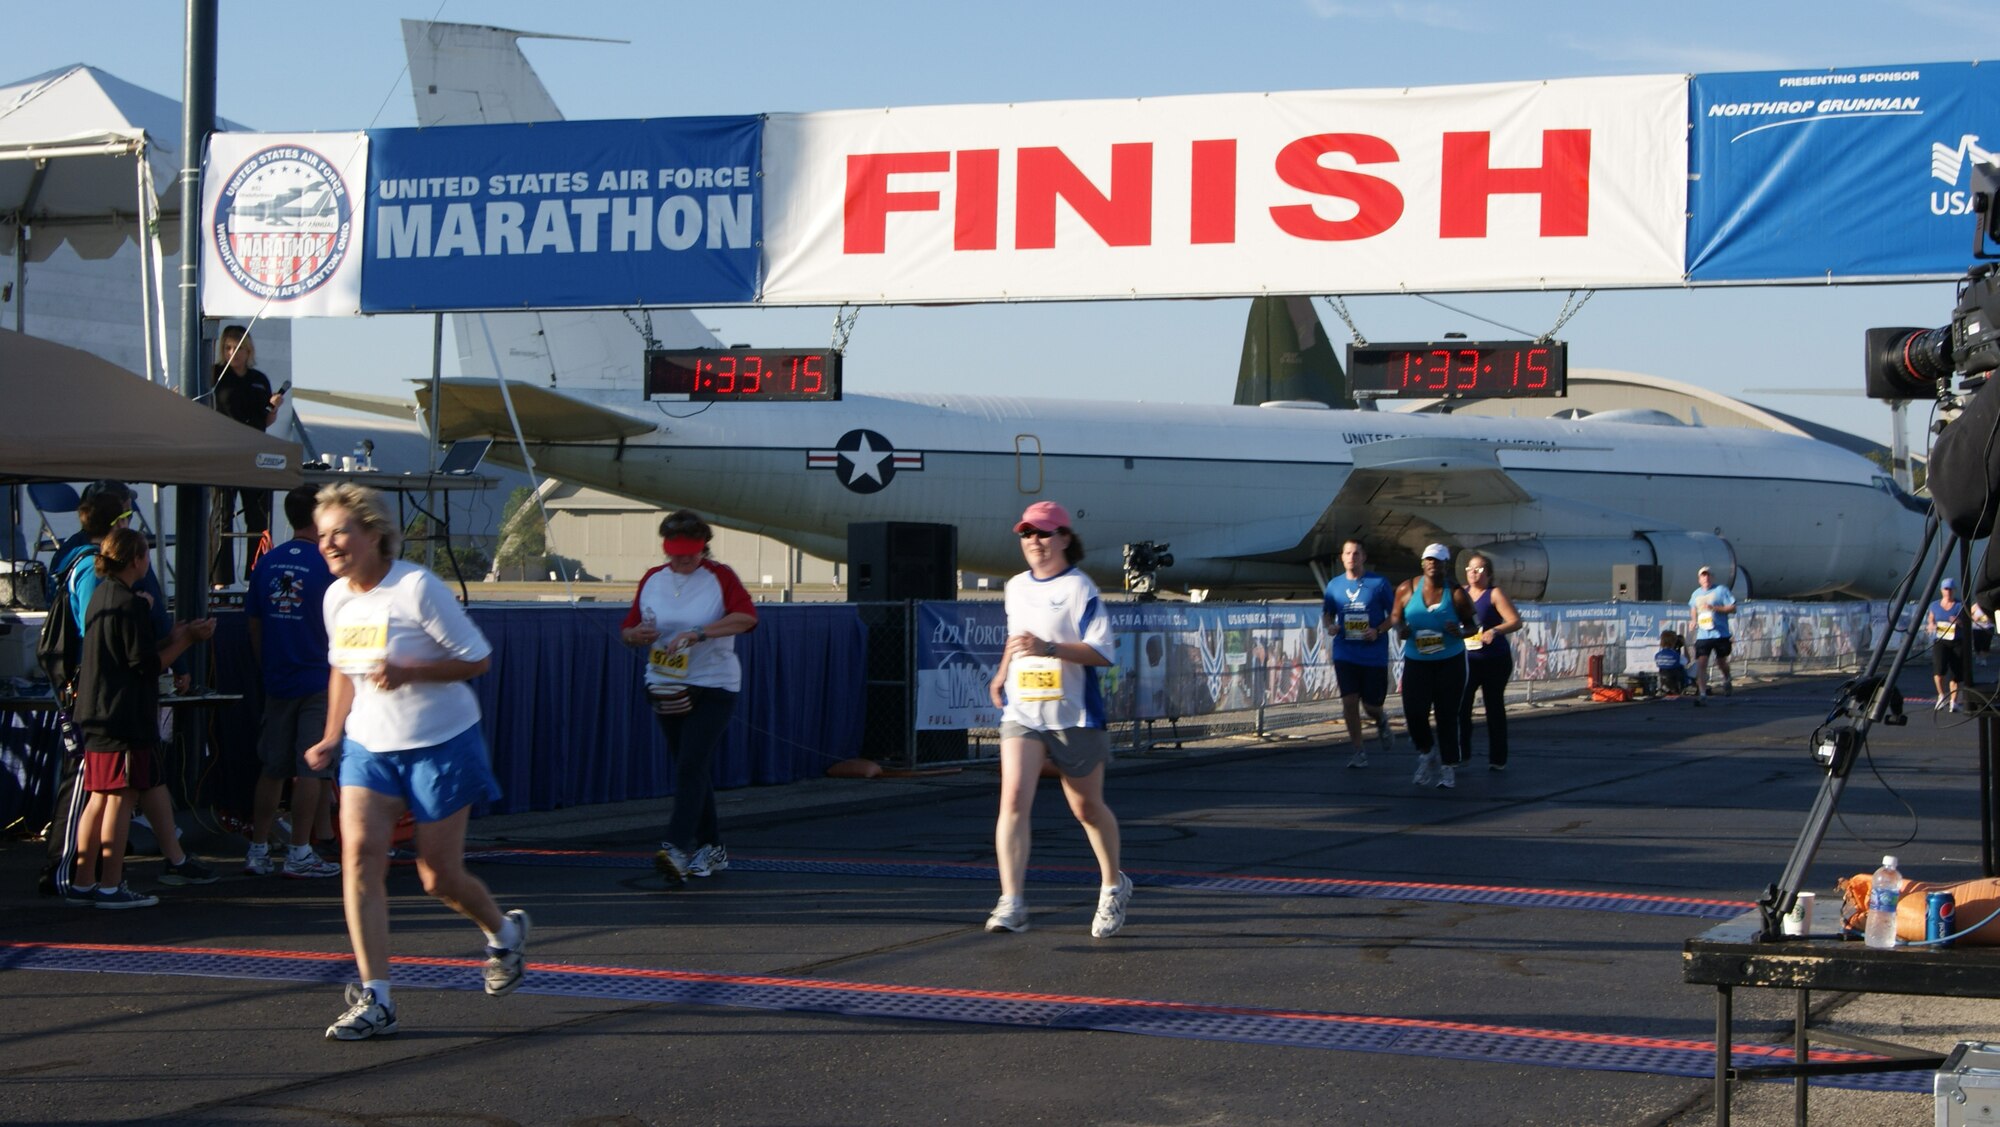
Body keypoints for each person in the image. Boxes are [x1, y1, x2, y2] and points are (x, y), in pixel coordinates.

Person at [303, 483, 527, 1041]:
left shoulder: (415, 587)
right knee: (358, 858)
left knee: (437, 877)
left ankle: (503, 934)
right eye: (322, 534)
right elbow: (342, 670)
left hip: (441, 742)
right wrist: (332, 736)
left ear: (374, 533)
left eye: (340, 533)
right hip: (368, 748)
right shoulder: (336, 598)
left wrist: (410, 672)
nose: (328, 544)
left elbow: (477, 660)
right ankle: (376, 997)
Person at [57, 494, 219, 889]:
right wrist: (186, 642)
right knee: (119, 798)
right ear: (136, 561)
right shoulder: (127, 603)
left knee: (104, 796)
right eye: (146, 555)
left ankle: (84, 882)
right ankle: (111, 884)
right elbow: (144, 665)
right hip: (122, 715)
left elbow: (130, 655)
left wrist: (176, 634)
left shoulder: (102, 597)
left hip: (98, 712)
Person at [984, 501, 1130, 938]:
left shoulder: (1080, 589)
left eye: (1044, 534)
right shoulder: (1014, 587)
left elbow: (1103, 653)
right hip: (1023, 710)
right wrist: (1001, 673)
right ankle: (1012, 902)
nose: (1034, 542)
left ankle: (1112, 885)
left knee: (1085, 808)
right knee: (1012, 799)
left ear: (1065, 538)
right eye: (1027, 534)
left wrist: (1051, 649)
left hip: (1074, 714)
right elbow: (1016, 640)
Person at [618, 510, 759, 886]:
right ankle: (712, 847)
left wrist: (699, 633)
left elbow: (746, 618)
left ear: (703, 549)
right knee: (688, 765)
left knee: (690, 764)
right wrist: (638, 635)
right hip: (665, 681)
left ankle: (677, 846)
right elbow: (628, 629)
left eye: (690, 554)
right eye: (675, 553)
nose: (682, 560)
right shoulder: (652, 578)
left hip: (713, 684)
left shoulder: (720, 577)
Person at [243, 484, 340, 878]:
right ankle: (300, 851)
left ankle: (259, 848)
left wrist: (266, 664)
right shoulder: (329, 565)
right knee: (311, 769)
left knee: (273, 767)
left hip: (279, 677)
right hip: (318, 677)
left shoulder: (268, 562)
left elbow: (255, 621)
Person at [1388, 543, 1476, 789]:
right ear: (1422, 563)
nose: (1432, 565)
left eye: (1437, 561)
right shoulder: (1407, 589)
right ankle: (1427, 753)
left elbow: (1473, 626)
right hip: (1418, 661)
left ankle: (1448, 767)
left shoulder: (1456, 593)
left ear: (1445, 565)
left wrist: (1459, 632)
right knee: (1414, 712)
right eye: (1428, 560)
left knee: (1446, 715)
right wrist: (1400, 628)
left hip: (1450, 662)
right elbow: (1395, 616)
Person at [208, 325, 284, 588]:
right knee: (222, 514)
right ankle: (220, 578)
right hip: (224, 452)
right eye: (228, 348)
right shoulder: (215, 375)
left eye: (239, 348)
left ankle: (257, 573)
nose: (233, 353)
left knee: (258, 515)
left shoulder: (259, 379)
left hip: (255, 453)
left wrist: (274, 408)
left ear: (248, 350)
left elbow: (267, 419)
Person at [1320, 539, 1396, 768]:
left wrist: (1378, 630)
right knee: (1349, 701)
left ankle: (1381, 720)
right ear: (1341, 557)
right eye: (1347, 553)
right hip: (1346, 651)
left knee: (1371, 706)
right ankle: (1358, 751)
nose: (1351, 558)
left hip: (1373, 653)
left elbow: (1394, 615)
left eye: (1356, 554)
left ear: (1363, 557)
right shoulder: (1334, 585)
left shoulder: (1379, 584)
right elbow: (1327, 614)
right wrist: (1330, 626)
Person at [1457, 552, 1522, 771]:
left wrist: (1495, 630)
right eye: (1469, 569)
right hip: (1468, 660)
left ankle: (1497, 759)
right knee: (1462, 707)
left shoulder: (1494, 594)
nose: (1473, 573)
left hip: (1494, 660)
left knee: (1493, 707)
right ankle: (1461, 754)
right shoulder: (1461, 593)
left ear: (1489, 573)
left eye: (1478, 569)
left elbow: (1515, 621)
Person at [1688, 565, 1738, 700]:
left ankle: (1727, 678)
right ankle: (1702, 693)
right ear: (1699, 579)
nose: (1706, 578)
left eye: (1708, 575)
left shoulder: (1721, 590)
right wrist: (1693, 620)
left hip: (1720, 634)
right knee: (1701, 663)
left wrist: (1715, 608)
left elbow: (1733, 608)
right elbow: (1693, 607)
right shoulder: (1696, 594)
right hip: (1703, 634)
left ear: (1712, 577)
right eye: (1703, 576)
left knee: (1721, 662)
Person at [1929, 577, 1969, 713]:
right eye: (1946, 589)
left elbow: (1967, 623)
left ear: (1954, 591)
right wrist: (1931, 625)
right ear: (1941, 590)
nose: (1948, 592)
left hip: (1957, 641)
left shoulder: (1960, 605)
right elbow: (1931, 619)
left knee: (1956, 673)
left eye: (1951, 589)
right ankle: (1941, 695)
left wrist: (1958, 622)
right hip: (1940, 641)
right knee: (1939, 670)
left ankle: (1954, 702)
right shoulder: (1934, 605)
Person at [1655, 630, 1692, 698]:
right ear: (1674, 641)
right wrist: (1684, 645)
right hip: (1677, 680)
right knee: (1697, 665)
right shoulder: (1676, 656)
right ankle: (1692, 685)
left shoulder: (1657, 655)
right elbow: (1688, 661)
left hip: (1663, 678)